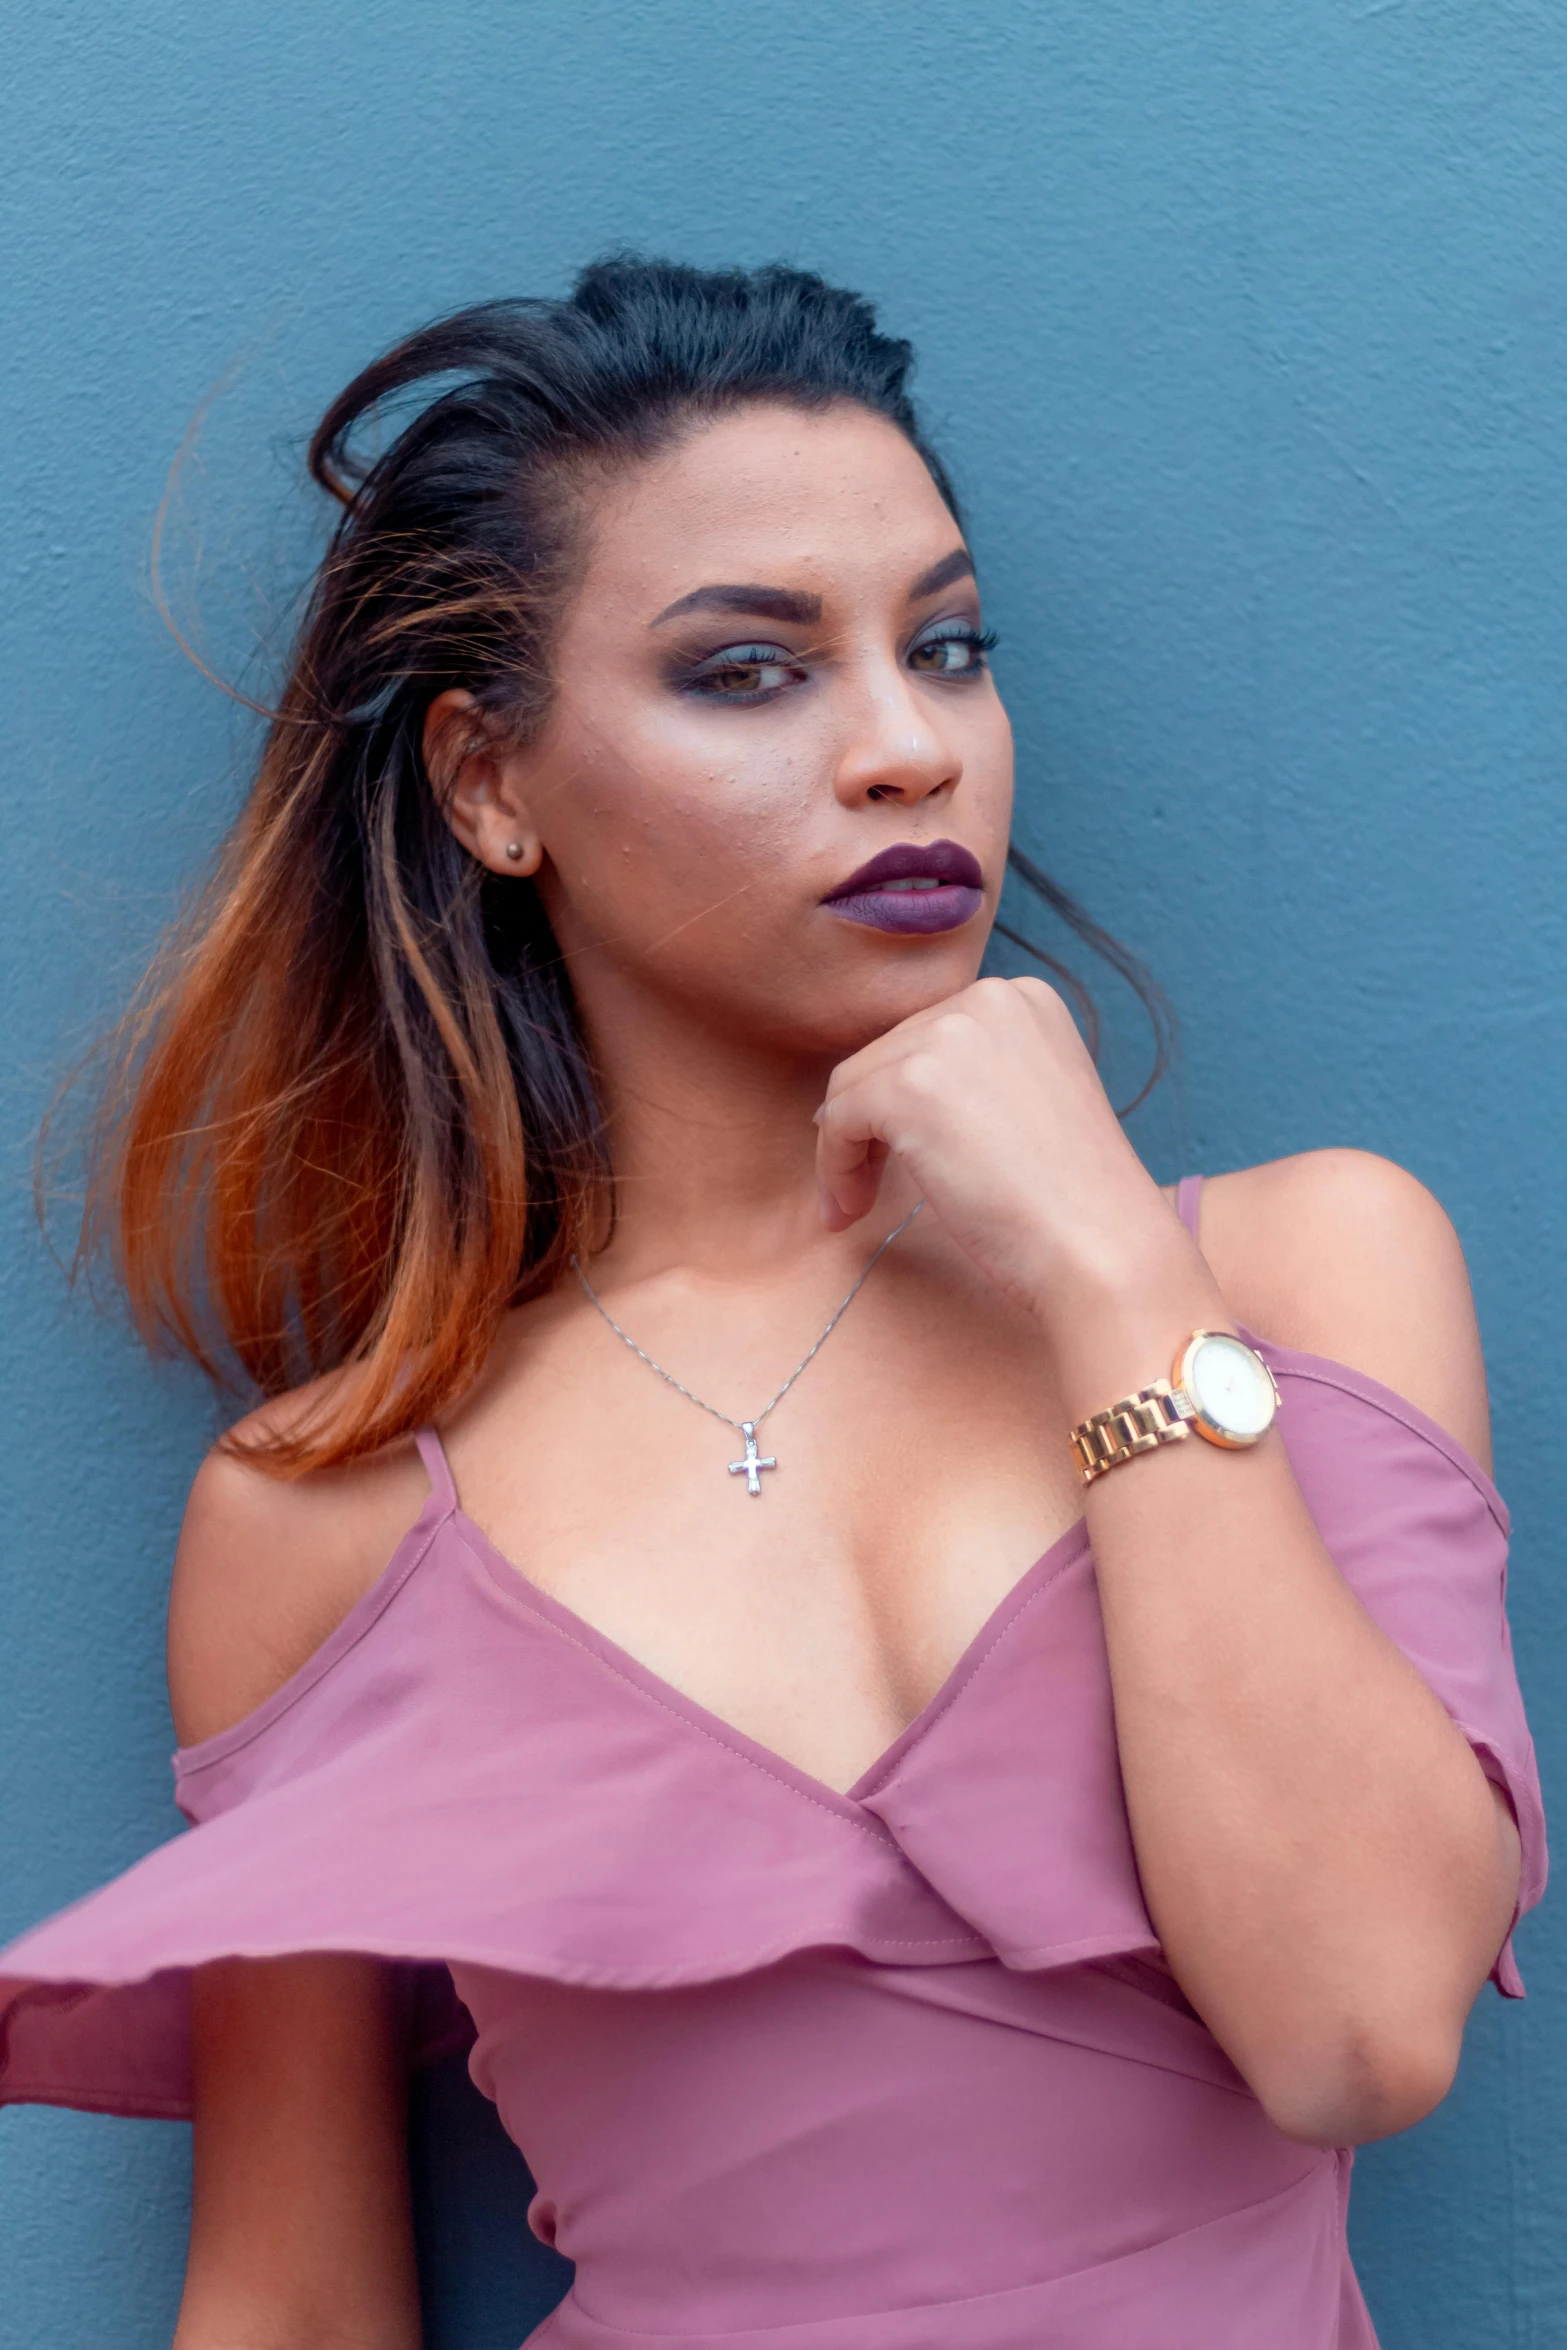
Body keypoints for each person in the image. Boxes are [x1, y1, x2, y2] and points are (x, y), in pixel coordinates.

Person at [0, 258, 1544, 2350]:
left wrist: (1102, 1264)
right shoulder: (324, 1518)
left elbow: (1358, 2029)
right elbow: (288, 2294)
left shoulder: (1296, 1265)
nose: (911, 750)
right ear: (490, 785)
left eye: (952, 646)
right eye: (750, 672)